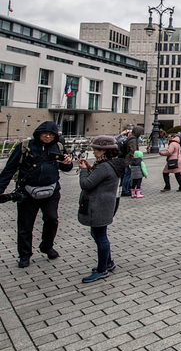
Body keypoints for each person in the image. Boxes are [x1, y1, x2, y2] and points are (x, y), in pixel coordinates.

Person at [0, 121, 73, 267]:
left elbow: (66, 168)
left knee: (52, 220)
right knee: (25, 225)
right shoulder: (25, 147)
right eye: (44, 133)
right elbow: (9, 168)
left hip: (51, 191)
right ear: (38, 133)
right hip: (27, 192)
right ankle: (25, 254)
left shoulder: (58, 147)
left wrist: (68, 163)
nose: (47, 136)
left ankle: (47, 246)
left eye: (51, 134)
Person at [76, 135, 125, 283]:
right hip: (106, 204)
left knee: (100, 237)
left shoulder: (104, 166)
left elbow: (86, 184)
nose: (94, 152)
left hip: (98, 205)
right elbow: (100, 178)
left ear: (103, 151)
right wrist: (91, 168)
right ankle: (108, 263)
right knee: (99, 234)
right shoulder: (112, 164)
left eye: (95, 150)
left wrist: (84, 170)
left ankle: (102, 269)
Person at [118, 125, 143, 197]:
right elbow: (133, 151)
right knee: (128, 175)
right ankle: (125, 190)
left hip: (127, 159)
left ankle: (128, 189)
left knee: (128, 175)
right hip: (129, 160)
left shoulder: (130, 138)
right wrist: (136, 159)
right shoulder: (133, 139)